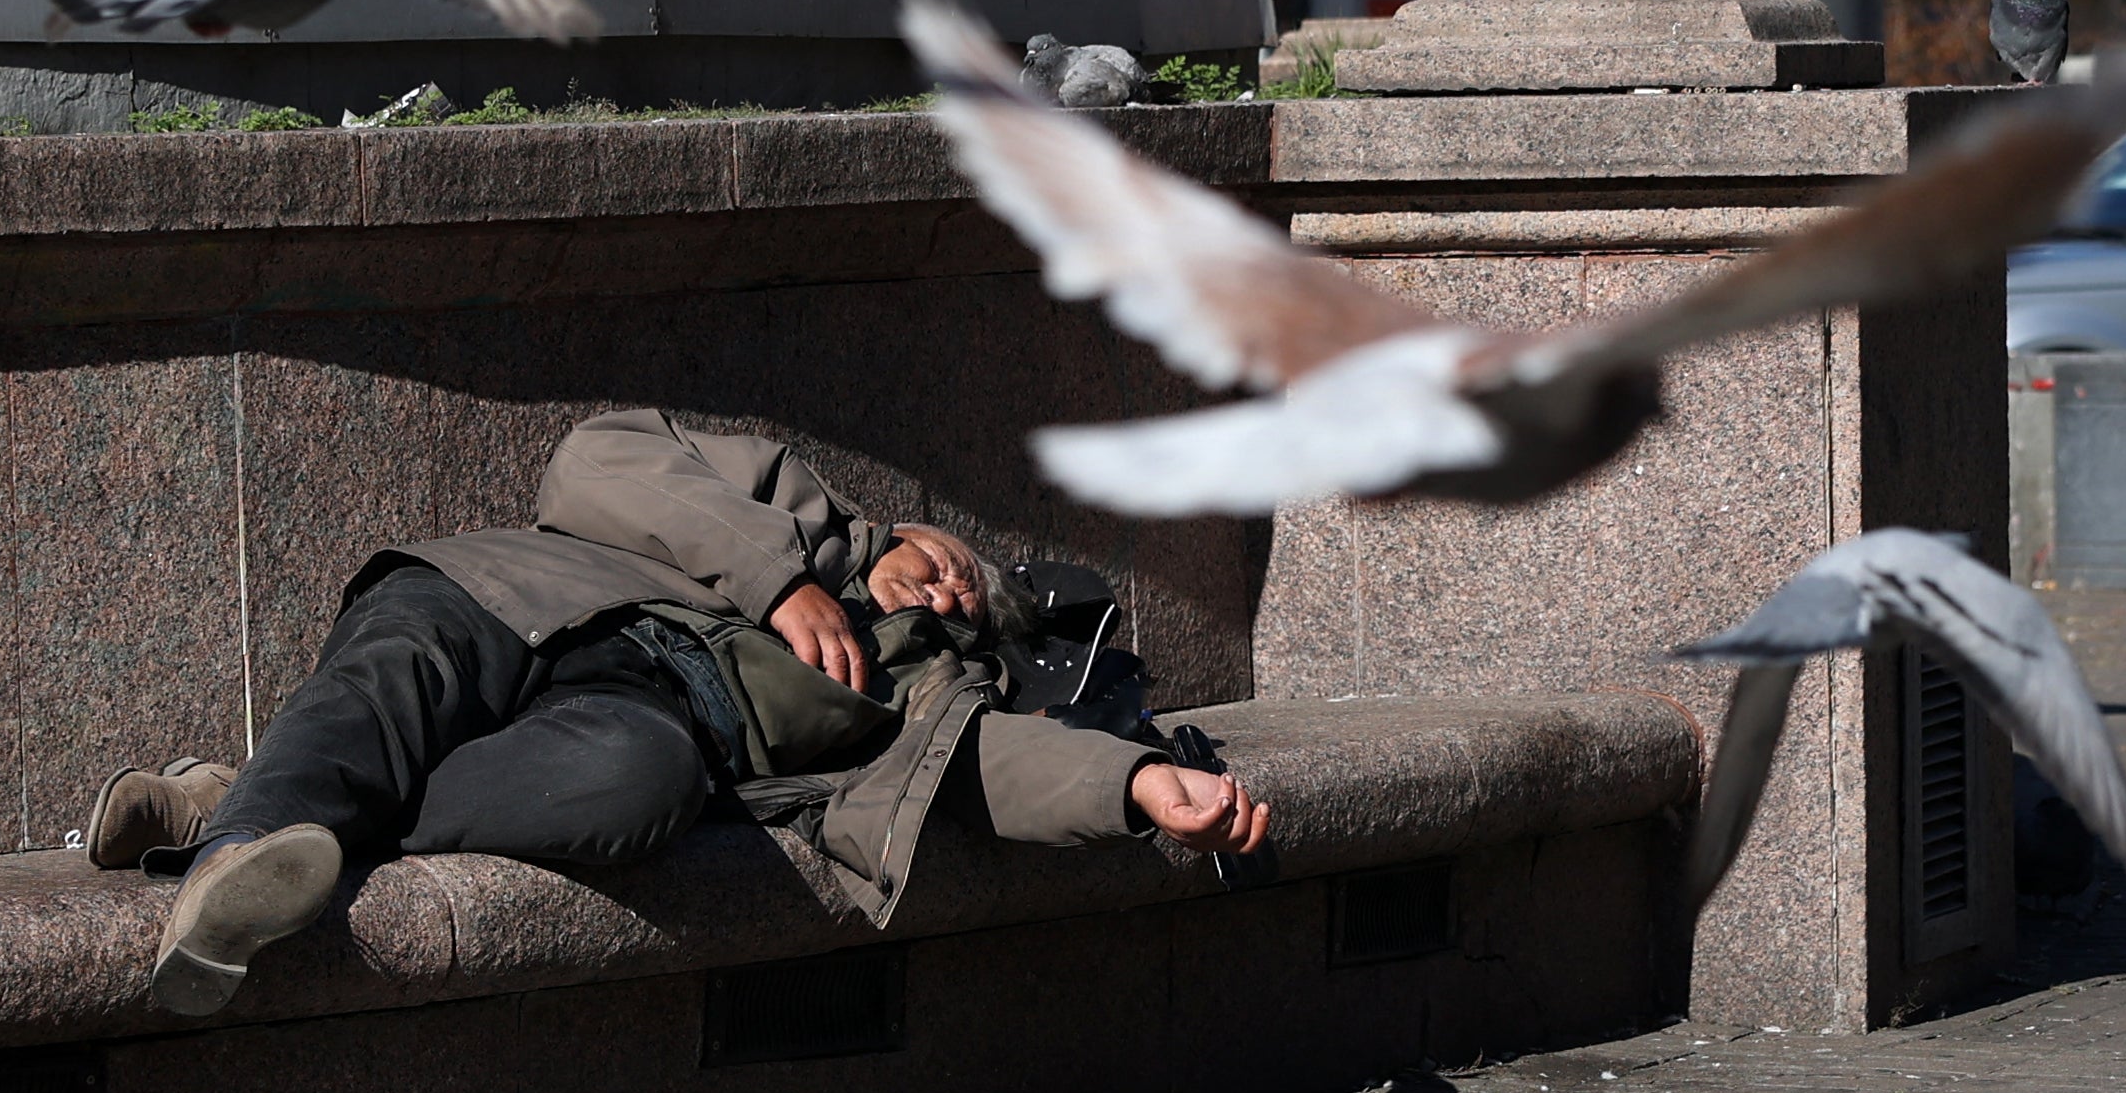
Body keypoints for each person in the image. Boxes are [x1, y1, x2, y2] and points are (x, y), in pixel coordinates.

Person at [87, 406, 1270, 1013]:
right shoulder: (795, 505)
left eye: (975, 602)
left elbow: (985, 766)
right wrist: (785, 577)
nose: (952, 587)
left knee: (630, 793)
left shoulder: (926, 692)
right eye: (954, 562)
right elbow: (598, 459)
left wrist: (1133, 786)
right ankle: (236, 850)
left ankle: (233, 815)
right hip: (528, 593)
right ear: (918, 530)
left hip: (653, 715)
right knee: (404, 666)